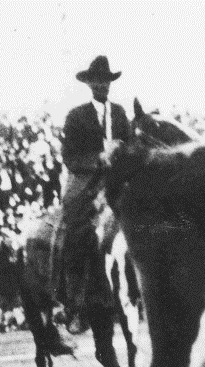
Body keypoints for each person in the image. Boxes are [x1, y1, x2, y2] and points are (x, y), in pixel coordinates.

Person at [52, 55, 130, 302]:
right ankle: (73, 297)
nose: (102, 86)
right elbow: (69, 156)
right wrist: (98, 159)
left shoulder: (118, 113)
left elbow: (130, 146)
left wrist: (120, 153)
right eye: (97, 82)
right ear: (89, 85)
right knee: (74, 228)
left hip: (116, 181)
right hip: (87, 184)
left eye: (106, 81)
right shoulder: (76, 116)